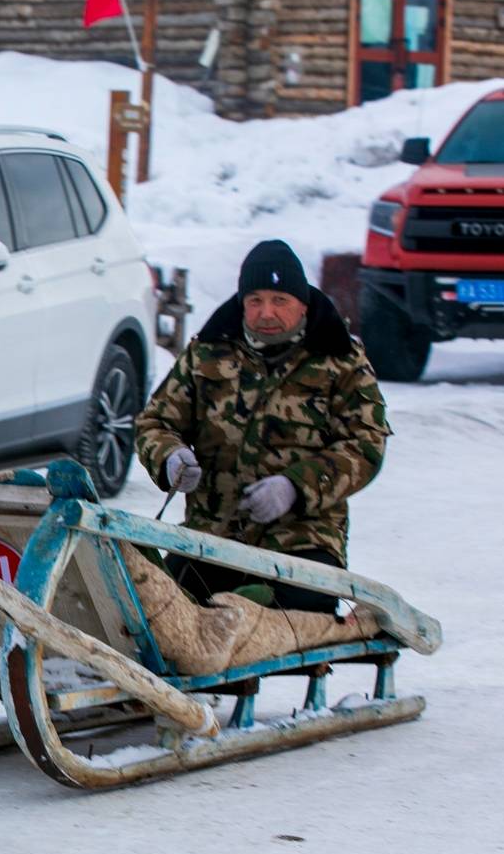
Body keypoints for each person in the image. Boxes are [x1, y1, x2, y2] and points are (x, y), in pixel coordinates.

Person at [134, 240, 391, 614]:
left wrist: (295, 487)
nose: (266, 312)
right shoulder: (208, 353)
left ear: (302, 303)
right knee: (159, 610)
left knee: (267, 613)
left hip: (303, 545)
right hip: (213, 539)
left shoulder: (341, 361)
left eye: (279, 300)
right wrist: (170, 457)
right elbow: (154, 421)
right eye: (255, 301)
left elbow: (366, 446)